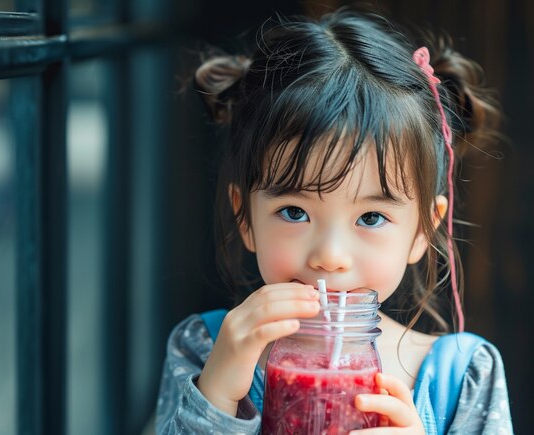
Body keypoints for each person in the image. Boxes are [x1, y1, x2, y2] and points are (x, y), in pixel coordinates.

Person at [156, 6, 513, 434]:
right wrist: (214, 398)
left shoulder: (463, 378)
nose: (330, 256)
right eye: (294, 212)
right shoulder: (206, 350)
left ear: (424, 228)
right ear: (245, 217)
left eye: (372, 216)